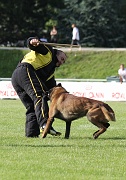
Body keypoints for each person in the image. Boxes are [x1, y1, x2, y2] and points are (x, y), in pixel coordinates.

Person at [11, 37, 67, 138]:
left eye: (63, 62)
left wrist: (65, 98)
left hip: (16, 77)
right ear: (57, 53)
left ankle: (31, 134)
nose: (61, 62)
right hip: (25, 70)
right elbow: (36, 46)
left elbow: (53, 90)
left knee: (32, 106)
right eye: (62, 59)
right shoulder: (49, 51)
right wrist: (32, 41)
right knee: (40, 96)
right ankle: (46, 124)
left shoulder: (50, 72)